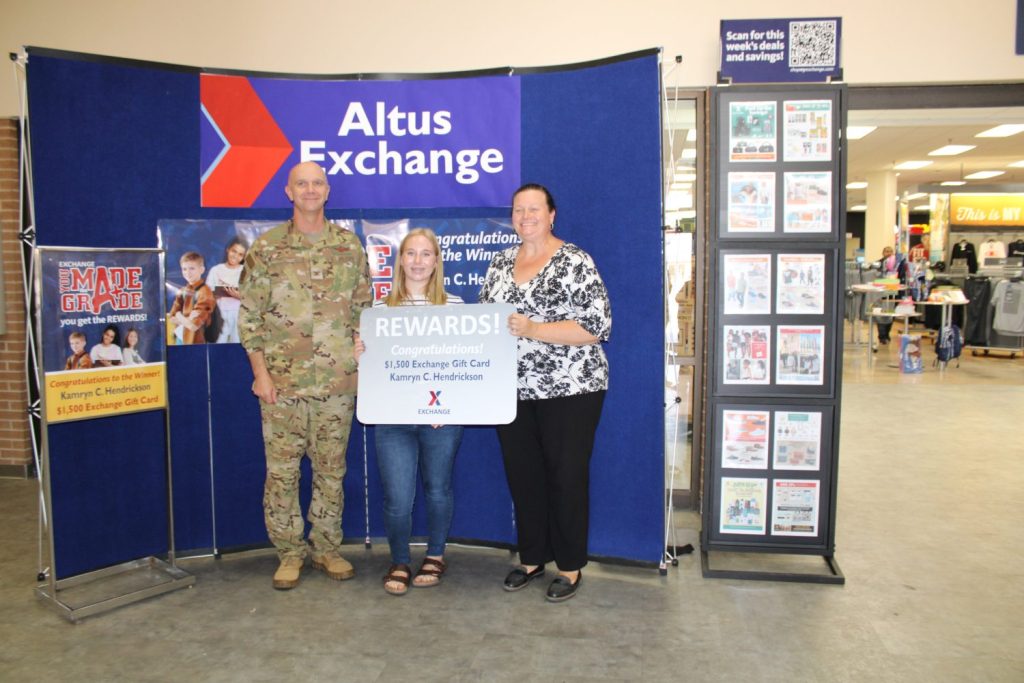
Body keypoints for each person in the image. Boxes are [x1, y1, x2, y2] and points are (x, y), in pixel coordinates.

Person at [239, 161, 371, 590]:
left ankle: (327, 548)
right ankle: (290, 552)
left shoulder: (350, 247)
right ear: (288, 192)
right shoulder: (267, 248)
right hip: (282, 384)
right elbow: (251, 318)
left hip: (337, 382)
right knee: (282, 472)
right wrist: (260, 374)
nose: (310, 190)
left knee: (332, 470)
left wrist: (363, 350)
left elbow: (363, 313)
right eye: (302, 184)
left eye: (317, 183)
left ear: (327, 191)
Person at [479, 183, 612, 603]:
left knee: (566, 477)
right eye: (519, 209)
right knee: (525, 477)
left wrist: (535, 330)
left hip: (571, 388)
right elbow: (484, 321)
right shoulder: (500, 263)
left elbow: (597, 327)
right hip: (512, 389)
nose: (526, 216)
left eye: (534, 208)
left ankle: (569, 567)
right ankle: (532, 558)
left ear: (552, 214)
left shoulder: (575, 261)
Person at [354, 228, 465, 596]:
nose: (418, 261)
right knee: (398, 498)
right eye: (411, 253)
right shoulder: (378, 312)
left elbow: (463, 364)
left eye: (426, 254)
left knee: (437, 490)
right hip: (392, 420)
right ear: (400, 261)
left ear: (436, 261)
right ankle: (399, 560)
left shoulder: (456, 307)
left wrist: (446, 403)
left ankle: (435, 555)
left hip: (441, 418)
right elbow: (377, 370)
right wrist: (361, 356)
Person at [169, 252, 215, 344]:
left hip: (195, 341)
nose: (187, 273)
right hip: (181, 338)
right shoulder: (183, 291)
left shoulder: (205, 292)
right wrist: (188, 318)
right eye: (184, 269)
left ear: (202, 270)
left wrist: (179, 315)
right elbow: (172, 317)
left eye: (192, 268)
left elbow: (193, 326)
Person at [207, 238, 247, 343]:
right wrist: (215, 294)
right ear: (228, 249)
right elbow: (207, 294)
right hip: (220, 315)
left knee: (238, 344)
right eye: (234, 251)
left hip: (239, 315)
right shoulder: (216, 270)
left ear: (243, 257)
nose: (235, 256)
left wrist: (239, 296)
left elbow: (253, 297)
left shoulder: (246, 272)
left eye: (240, 254)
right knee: (218, 344)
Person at [876, 246, 907, 345]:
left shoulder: (898, 264)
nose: (888, 253)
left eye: (890, 251)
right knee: (881, 313)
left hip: (894, 292)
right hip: (882, 292)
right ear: (883, 253)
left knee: (891, 313)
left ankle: (887, 333)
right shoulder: (878, 264)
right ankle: (882, 335)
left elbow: (902, 275)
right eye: (886, 251)